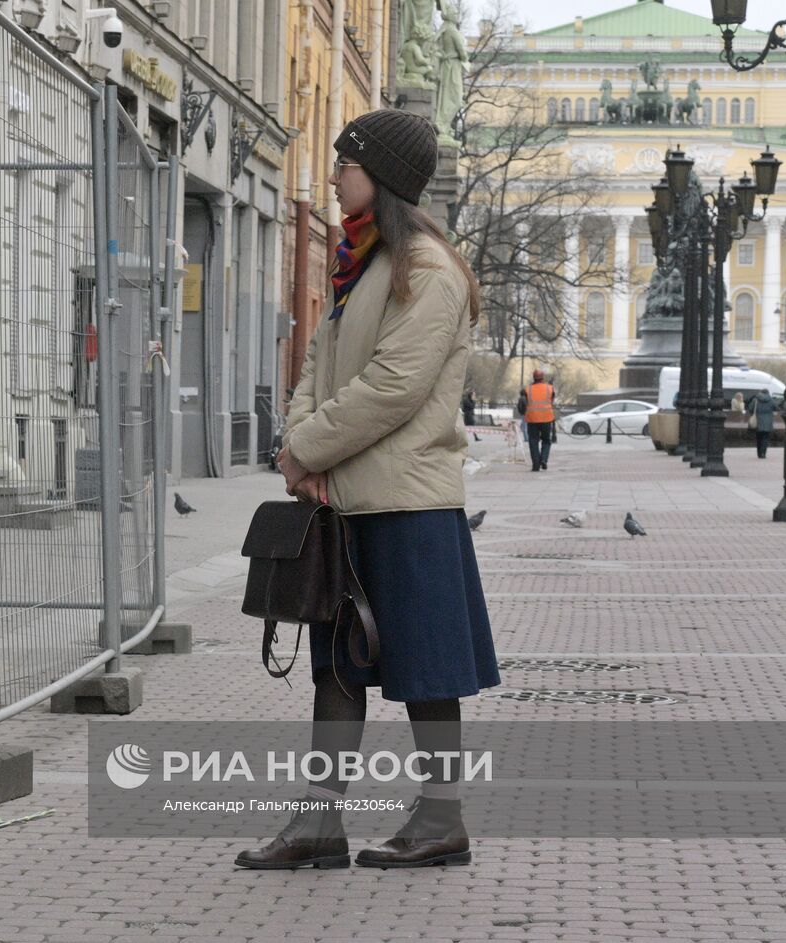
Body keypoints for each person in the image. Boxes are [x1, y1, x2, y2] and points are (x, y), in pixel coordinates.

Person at [241, 109, 500, 872]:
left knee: (426, 669)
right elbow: (316, 369)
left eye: (344, 164)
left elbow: (394, 387)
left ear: (380, 175)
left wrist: (307, 449)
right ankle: (319, 823)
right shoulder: (363, 263)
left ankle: (442, 817)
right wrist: (298, 447)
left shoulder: (427, 269)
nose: (331, 176)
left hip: (409, 504)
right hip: (346, 500)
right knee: (336, 665)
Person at [517, 369, 555, 471]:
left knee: (533, 441)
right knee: (546, 440)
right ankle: (544, 459)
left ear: (533, 378)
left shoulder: (528, 389)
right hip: (546, 418)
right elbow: (551, 401)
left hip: (532, 419)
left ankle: (536, 465)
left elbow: (524, 402)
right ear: (543, 378)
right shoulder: (550, 388)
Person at [745, 387, 777, 459]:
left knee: (758, 438)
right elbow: (776, 408)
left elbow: (750, 409)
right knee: (765, 438)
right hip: (768, 422)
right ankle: (763, 453)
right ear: (768, 393)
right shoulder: (771, 400)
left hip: (758, 422)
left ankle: (759, 454)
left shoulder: (755, 399)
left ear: (761, 392)